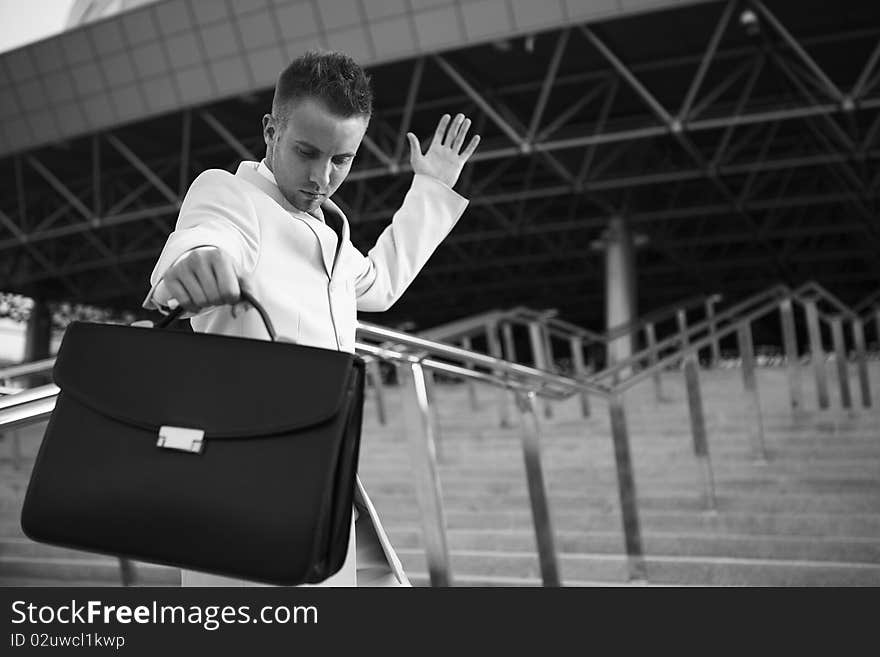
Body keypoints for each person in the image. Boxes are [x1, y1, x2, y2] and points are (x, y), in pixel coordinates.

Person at [141, 50, 480, 587]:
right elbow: (206, 236)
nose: (323, 176)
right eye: (307, 152)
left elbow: (382, 284)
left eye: (342, 159)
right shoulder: (232, 195)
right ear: (271, 130)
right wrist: (195, 264)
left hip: (324, 488)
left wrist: (431, 188)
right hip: (244, 494)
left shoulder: (331, 235)